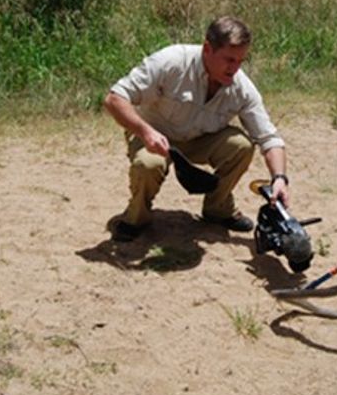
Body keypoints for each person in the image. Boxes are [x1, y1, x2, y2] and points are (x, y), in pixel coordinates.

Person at [103, 16, 289, 242]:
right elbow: (114, 99)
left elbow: (269, 138)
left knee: (242, 146)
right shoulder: (171, 62)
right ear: (208, 49)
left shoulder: (242, 87)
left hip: (200, 140)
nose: (235, 68)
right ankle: (136, 218)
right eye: (229, 59)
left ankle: (217, 209)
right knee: (148, 164)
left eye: (241, 60)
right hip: (152, 135)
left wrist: (279, 179)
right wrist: (145, 132)